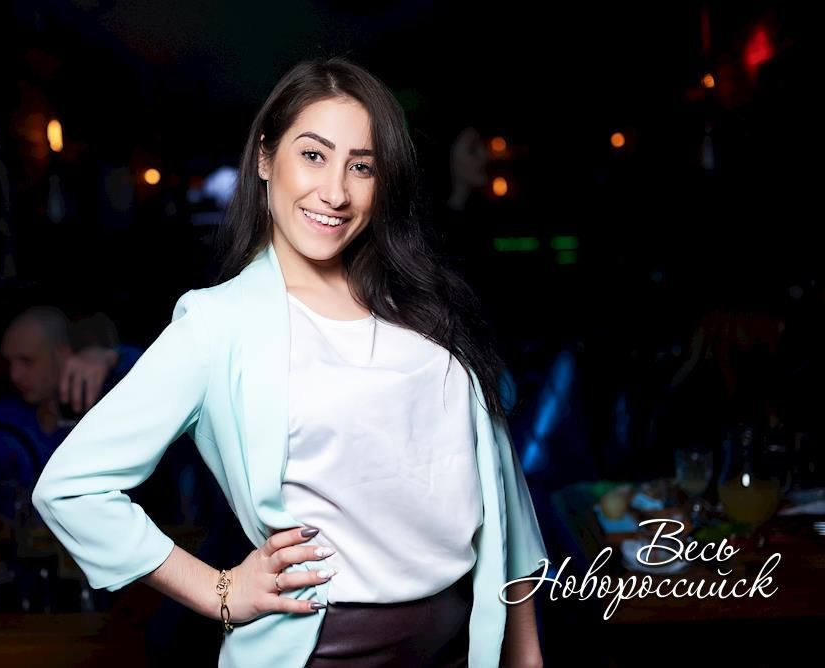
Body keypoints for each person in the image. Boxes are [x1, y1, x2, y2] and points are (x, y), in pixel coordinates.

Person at [33, 56, 548, 667]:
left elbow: (503, 497)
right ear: (264, 158)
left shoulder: (429, 307)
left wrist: (526, 653)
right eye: (313, 155)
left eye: (361, 166)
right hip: (321, 652)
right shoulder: (218, 323)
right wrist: (219, 590)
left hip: (462, 645)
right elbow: (72, 488)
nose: (335, 191)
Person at [0, 306, 142, 519]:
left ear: (63, 355)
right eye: (9, 362)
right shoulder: (3, 423)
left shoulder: (103, 408)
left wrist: (111, 356)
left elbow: (161, 381)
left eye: (27, 361)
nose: (15, 375)